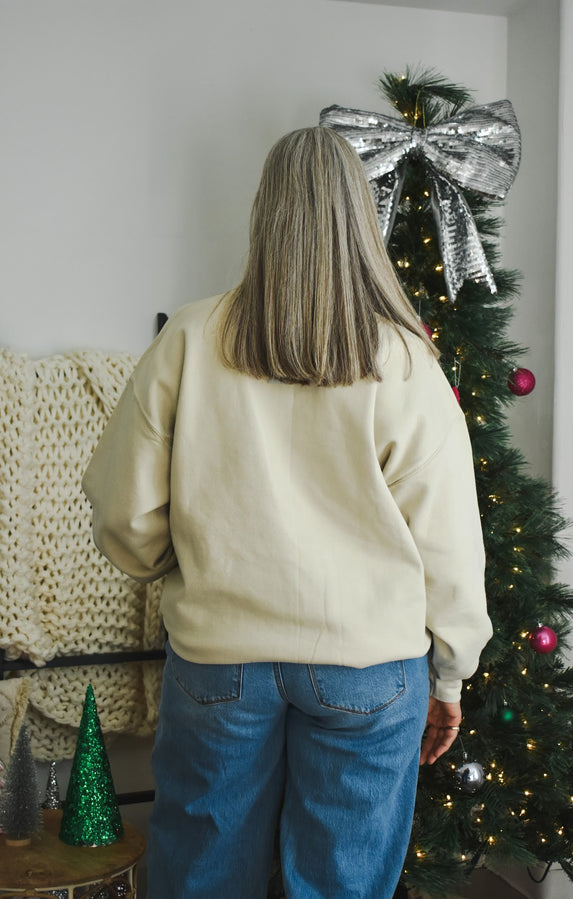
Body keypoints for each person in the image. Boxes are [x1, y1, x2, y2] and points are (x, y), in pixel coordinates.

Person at [82, 126, 492, 899]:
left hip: (220, 657)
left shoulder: (191, 338)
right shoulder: (405, 359)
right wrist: (451, 672)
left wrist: (176, 565)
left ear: (265, 212)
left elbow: (123, 511)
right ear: (359, 219)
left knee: (200, 874)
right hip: (371, 667)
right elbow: (451, 549)